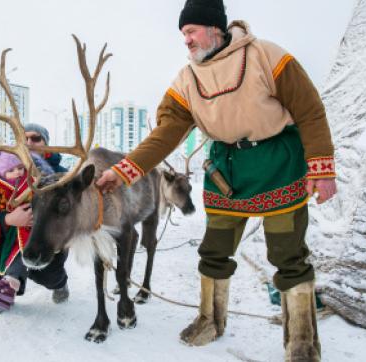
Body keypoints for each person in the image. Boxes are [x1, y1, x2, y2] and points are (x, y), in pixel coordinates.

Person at [96, 1, 336, 361]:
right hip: (227, 171)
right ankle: (210, 320)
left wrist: (322, 168)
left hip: (278, 164)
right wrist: (123, 170)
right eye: (183, 35)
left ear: (215, 29)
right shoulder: (187, 79)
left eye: (191, 31)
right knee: (213, 250)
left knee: (288, 254)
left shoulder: (267, 56)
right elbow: (166, 134)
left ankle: (301, 341)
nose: (187, 41)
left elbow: (309, 108)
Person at [0, 149, 69, 317]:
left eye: (19, 168)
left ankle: (59, 284)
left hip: (39, 234)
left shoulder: (42, 179)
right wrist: (7, 220)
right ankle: (3, 290)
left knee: (48, 274)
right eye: (10, 170)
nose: (17, 172)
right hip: (7, 237)